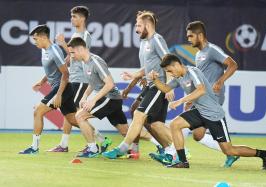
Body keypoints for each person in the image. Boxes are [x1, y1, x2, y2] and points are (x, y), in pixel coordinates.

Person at [148, 53, 266, 170]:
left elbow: (201, 90)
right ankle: (182, 161)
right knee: (175, 125)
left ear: (176, 65)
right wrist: (155, 80)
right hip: (199, 111)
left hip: (214, 114)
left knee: (229, 151)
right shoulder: (179, 77)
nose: (170, 73)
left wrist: (180, 101)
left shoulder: (193, 71)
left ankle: (265, 154)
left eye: (170, 70)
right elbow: (165, 88)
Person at [102, 10, 177, 162]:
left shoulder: (157, 39)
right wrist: (135, 75)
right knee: (154, 124)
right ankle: (172, 150)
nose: (136, 29)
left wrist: (169, 86)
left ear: (148, 25)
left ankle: (123, 149)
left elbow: (169, 62)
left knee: (138, 114)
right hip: (150, 86)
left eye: (139, 25)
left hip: (159, 86)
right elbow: (148, 68)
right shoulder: (144, 42)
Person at [47, 5, 112, 153]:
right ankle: (64, 144)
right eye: (71, 16)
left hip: (81, 79)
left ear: (82, 18)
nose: (72, 19)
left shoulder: (85, 36)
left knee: (75, 114)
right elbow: (71, 57)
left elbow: (81, 56)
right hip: (74, 78)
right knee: (69, 112)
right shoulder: (77, 34)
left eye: (74, 16)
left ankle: (100, 140)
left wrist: (63, 44)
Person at [67, 37, 139, 158]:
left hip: (110, 98)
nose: (71, 56)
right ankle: (155, 144)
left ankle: (92, 149)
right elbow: (93, 82)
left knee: (79, 116)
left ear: (80, 49)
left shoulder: (95, 61)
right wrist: (84, 96)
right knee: (125, 131)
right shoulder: (85, 63)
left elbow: (110, 83)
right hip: (111, 99)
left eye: (72, 53)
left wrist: (93, 100)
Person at [183, 20, 239, 167]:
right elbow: (201, 80)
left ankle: (174, 154)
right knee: (198, 135)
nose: (188, 39)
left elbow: (233, 65)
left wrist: (220, 81)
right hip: (203, 97)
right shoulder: (199, 54)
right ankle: (230, 153)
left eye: (190, 36)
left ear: (200, 35)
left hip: (213, 98)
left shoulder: (212, 49)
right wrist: (192, 98)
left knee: (180, 122)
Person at [19, 25, 77, 154]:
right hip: (60, 88)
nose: (35, 42)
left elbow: (65, 74)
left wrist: (59, 95)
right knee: (73, 119)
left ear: (43, 37)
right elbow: (53, 70)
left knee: (38, 111)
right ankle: (101, 138)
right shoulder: (44, 50)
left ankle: (34, 147)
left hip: (63, 88)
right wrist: (42, 81)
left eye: (36, 39)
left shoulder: (54, 50)